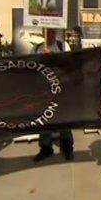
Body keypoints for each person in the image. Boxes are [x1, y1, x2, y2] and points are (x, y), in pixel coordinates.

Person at [31, 28, 75, 162]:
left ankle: (67, 147)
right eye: (47, 32)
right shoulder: (37, 48)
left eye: (51, 32)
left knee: (64, 118)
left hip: (61, 87)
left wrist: (53, 57)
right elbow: (32, 66)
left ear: (55, 33)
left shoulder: (63, 45)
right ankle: (45, 148)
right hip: (44, 89)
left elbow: (69, 63)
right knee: (45, 118)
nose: (49, 34)